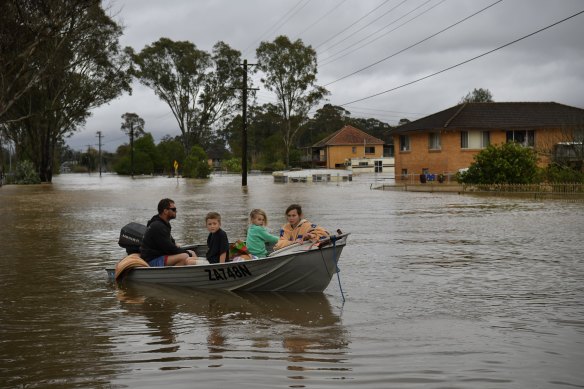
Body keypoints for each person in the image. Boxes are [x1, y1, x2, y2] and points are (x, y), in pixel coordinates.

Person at [140, 198, 197, 267]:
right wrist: (187, 253)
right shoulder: (158, 226)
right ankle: (173, 276)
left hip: (160, 255)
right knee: (184, 256)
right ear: (165, 211)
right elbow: (169, 249)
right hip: (152, 260)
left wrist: (188, 252)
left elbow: (171, 243)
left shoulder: (164, 224)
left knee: (191, 252)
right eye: (173, 209)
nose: (176, 211)